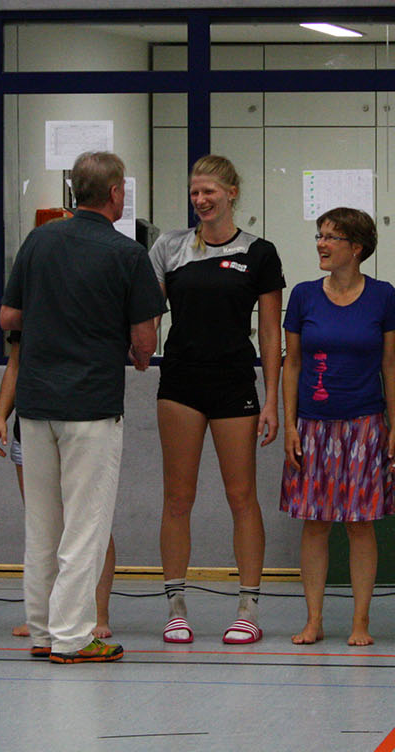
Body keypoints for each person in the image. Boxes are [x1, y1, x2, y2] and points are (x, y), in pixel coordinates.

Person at [0, 150, 164, 664]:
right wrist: (132, 351)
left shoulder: (39, 241)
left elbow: (8, 318)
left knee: (42, 526)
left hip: (35, 403)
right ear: (115, 193)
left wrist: (52, 316)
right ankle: (72, 637)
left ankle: (42, 630)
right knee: (84, 526)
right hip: (90, 404)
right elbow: (145, 342)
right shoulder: (128, 254)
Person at [149, 155, 284, 645]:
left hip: (234, 384)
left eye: (209, 191)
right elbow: (148, 315)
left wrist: (271, 400)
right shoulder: (169, 247)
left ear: (231, 193)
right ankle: (175, 607)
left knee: (241, 496)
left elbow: (270, 333)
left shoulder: (259, 253)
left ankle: (248, 607)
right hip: (180, 384)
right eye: (195, 193)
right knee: (177, 498)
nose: (201, 200)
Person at [280, 208, 395, 646]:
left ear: (357, 247)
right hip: (312, 424)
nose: (321, 243)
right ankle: (313, 620)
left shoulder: (383, 296)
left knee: (360, 524)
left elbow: (391, 364)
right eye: (320, 235)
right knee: (314, 523)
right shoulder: (303, 296)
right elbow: (292, 363)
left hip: (365, 423)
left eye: (332, 237)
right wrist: (290, 424)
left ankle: (360, 622)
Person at [0, 329, 117, 639]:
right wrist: (1, 417)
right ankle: (45, 617)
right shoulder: (29, 313)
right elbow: (15, 364)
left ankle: (97, 613)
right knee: (43, 524)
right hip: (32, 422)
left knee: (89, 522)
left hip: (82, 418)